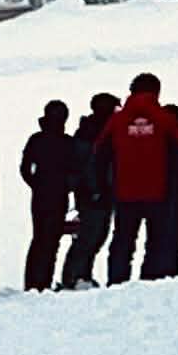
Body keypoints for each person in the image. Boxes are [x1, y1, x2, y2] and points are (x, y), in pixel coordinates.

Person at [102, 74, 178, 284]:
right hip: (156, 192)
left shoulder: (118, 119)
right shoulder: (162, 117)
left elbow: (100, 150)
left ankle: (117, 280)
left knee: (123, 240)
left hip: (124, 192)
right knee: (156, 240)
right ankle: (149, 281)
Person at [59, 91, 120, 286]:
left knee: (94, 235)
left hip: (95, 191)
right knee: (90, 236)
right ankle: (75, 276)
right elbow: (90, 166)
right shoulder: (94, 132)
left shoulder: (90, 130)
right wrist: (96, 190)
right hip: (94, 193)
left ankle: (80, 274)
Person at [18, 100, 77, 291]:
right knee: (51, 240)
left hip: (41, 195)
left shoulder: (36, 139)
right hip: (57, 195)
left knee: (40, 239)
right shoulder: (67, 142)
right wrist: (67, 186)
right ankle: (42, 282)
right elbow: (75, 171)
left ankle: (34, 283)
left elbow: (25, 169)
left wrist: (36, 184)